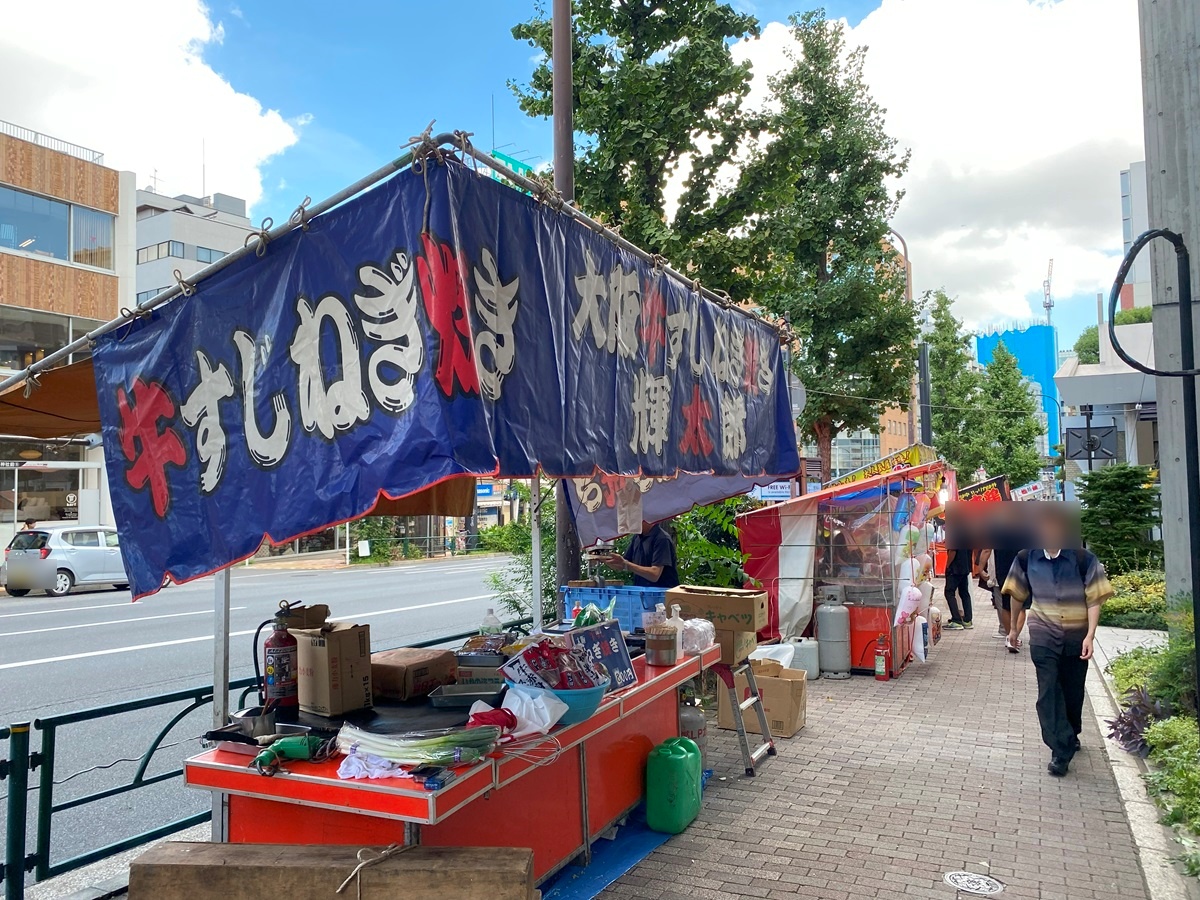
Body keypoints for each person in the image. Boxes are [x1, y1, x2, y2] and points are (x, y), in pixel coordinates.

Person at [1002, 507, 1112, 777]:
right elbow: (1017, 593)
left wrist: (1090, 635)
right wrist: (1014, 630)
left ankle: (1070, 733)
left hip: (1076, 636)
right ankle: (1060, 751)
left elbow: (1095, 598)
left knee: (1073, 691)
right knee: (1049, 692)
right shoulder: (1027, 558)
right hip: (1043, 635)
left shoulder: (1083, 559)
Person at [604, 520, 680, 588]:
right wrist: (602, 558)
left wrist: (626, 565)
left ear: (645, 519)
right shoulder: (637, 538)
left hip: (662, 596)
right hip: (642, 593)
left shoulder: (662, 539)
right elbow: (621, 565)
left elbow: (655, 574)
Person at [942, 544, 973, 630]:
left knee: (949, 592)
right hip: (965, 565)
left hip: (955, 567)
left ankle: (956, 620)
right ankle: (968, 620)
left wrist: (948, 565)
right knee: (964, 593)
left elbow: (953, 550)